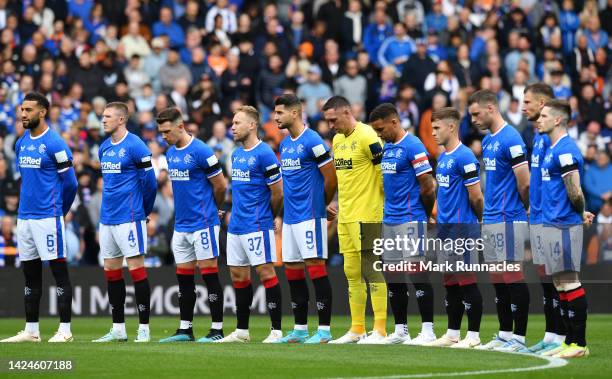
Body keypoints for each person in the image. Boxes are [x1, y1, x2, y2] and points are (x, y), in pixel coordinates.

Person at [1, 92, 77, 343]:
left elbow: (71, 184)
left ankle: (65, 330)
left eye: (29, 110)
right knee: (30, 274)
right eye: (22, 110)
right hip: (25, 218)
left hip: (48, 217)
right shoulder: (22, 142)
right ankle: (31, 330)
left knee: (59, 273)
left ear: (42, 112)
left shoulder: (55, 143)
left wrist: (59, 213)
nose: (23, 114)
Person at [156, 107, 228, 343]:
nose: (164, 136)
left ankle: (217, 329)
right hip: (181, 225)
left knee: (209, 276)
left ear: (180, 126)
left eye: (167, 131)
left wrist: (214, 209)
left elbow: (220, 185)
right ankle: (185, 329)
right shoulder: (171, 153)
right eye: (161, 132)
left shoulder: (201, 151)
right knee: (184, 278)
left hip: (203, 222)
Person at [468, 90, 532, 352]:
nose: (472, 119)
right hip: (492, 217)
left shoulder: (512, 138)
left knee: (512, 276)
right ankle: (505, 334)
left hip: (509, 217)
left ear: (491, 108)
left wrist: (521, 209)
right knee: (497, 279)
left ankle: (519, 337)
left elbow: (525, 181)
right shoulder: (488, 141)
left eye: (476, 113)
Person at [368, 103, 437, 345]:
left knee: (417, 275)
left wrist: (425, 214)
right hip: (390, 220)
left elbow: (428, 186)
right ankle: (401, 330)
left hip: (410, 218)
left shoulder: (413, 145)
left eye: (381, 128)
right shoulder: (387, 147)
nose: (379, 134)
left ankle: (428, 330)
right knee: (393, 277)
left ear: (394, 122)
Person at [272, 94, 337, 344]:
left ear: (295, 113)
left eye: (280, 113)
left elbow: (330, 178)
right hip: (290, 217)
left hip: (310, 215)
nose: (275, 117)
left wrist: (322, 204)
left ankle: (324, 331)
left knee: (316, 267)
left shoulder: (313, 140)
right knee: (292, 270)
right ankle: (300, 328)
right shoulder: (286, 143)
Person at [322, 96, 387, 344]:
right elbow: (342, 179)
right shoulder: (337, 141)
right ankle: (357, 328)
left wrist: (382, 207)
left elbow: (383, 173)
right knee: (351, 272)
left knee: (371, 268)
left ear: (347, 112)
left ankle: (380, 329)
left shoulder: (368, 136)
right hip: (345, 216)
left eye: (333, 120)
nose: (330, 126)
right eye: (327, 121)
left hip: (368, 214)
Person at [92, 102, 157, 343]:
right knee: (111, 270)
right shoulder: (104, 148)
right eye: (103, 115)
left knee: (137, 269)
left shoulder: (136, 145)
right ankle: (118, 328)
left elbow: (150, 183)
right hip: (107, 218)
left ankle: (144, 328)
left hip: (130, 217)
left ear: (121, 120)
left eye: (108, 116)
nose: (103, 119)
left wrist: (143, 210)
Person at [219, 106, 284, 343]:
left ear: (252, 125)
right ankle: (242, 331)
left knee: (266, 273)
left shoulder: (265, 153)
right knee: (238, 276)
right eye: (232, 123)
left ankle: (276, 330)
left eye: (237, 123)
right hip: (236, 224)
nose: (232, 127)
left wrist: (271, 216)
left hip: (257, 223)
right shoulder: (235, 155)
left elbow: (277, 192)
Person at [538, 99, 594, 358]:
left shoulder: (565, 150)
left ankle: (579, 344)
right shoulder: (553, 149)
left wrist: (580, 212)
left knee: (570, 282)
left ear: (558, 120)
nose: (539, 119)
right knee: (560, 284)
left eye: (544, 115)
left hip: (563, 224)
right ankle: (568, 341)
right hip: (552, 223)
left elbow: (575, 190)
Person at [430, 107, 485, 349]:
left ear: (451, 127)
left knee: (467, 281)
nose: (432, 133)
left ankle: (473, 336)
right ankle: (453, 333)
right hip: (445, 229)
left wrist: (481, 221)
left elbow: (476, 197)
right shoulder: (442, 157)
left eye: (436, 127)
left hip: (463, 229)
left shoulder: (465, 157)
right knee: (449, 282)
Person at [521, 83, 566, 354]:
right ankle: (550, 335)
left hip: (552, 219)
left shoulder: (554, 139)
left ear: (542, 104)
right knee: (545, 281)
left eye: (527, 102)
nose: (523, 107)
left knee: (558, 279)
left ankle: (563, 337)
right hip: (536, 217)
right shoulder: (538, 136)